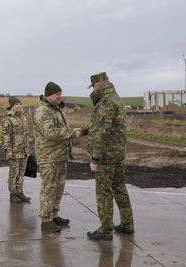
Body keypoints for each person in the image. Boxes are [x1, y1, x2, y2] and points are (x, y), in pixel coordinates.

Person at [80, 72, 135, 241]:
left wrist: (95, 159)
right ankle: (127, 224)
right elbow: (102, 124)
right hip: (117, 154)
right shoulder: (115, 98)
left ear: (98, 85)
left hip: (106, 157)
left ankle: (105, 230)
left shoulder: (105, 102)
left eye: (94, 87)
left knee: (103, 193)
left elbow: (103, 132)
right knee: (119, 189)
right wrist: (83, 131)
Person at [32, 82, 79, 232]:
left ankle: (54, 214)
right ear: (49, 95)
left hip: (60, 156)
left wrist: (72, 132)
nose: (60, 96)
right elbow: (50, 132)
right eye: (57, 94)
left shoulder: (57, 110)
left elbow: (62, 129)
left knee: (58, 187)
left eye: (61, 93)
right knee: (49, 188)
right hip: (49, 156)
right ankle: (46, 219)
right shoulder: (42, 111)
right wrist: (72, 133)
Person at [1, 96, 31, 203]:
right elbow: (5, 136)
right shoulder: (8, 119)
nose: (19, 106)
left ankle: (20, 192)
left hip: (24, 151)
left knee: (21, 173)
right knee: (13, 173)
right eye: (16, 104)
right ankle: (12, 193)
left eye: (20, 104)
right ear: (12, 107)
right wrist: (8, 150)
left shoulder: (23, 118)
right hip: (14, 151)